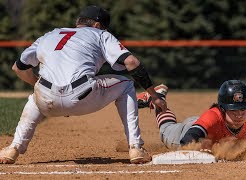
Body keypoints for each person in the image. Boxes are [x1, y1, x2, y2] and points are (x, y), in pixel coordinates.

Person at [0, 5, 167, 164]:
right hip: (82, 95)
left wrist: (38, 85)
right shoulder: (100, 34)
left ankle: (13, 148)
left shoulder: (51, 34)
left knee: (35, 95)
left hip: (47, 99)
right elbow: (131, 62)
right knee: (127, 85)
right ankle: (136, 147)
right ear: (97, 25)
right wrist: (154, 96)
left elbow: (18, 67)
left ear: (78, 23)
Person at [137, 80, 246, 150]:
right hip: (190, 130)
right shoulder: (213, 116)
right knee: (166, 128)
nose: (239, 114)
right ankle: (157, 98)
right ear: (223, 109)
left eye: (242, 109)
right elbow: (187, 141)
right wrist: (198, 148)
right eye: (233, 110)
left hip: (211, 129)